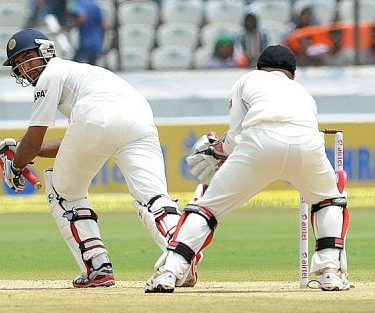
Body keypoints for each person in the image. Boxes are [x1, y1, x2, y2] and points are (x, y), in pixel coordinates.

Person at [0, 28, 201, 288]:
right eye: (18, 65)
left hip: (98, 118)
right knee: (154, 199)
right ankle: (181, 261)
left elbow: (38, 137)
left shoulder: (51, 74)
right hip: (140, 118)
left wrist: (16, 163)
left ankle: (97, 267)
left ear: (46, 52)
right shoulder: (84, 73)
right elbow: (76, 138)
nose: (25, 69)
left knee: (63, 193)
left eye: (27, 59)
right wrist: (22, 149)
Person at [145, 45, 351, 293]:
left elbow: (235, 137)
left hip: (260, 144)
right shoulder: (303, 93)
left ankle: (169, 273)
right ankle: (331, 274)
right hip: (308, 147)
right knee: (328, 200)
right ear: (293, 74)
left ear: (259, 68)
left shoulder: (247, 81)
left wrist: (217, 150)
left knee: (207, 209)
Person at [63, 0, 104, 65]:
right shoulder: (95, 3)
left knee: (73, 66)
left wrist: (69, 27)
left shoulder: (80, 2)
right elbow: (103, 24)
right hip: (96, 42)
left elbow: (81, 17)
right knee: (92, 68)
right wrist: (102, 41)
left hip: (86, 42)